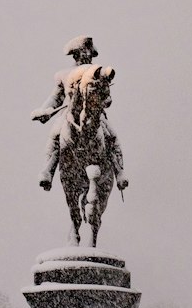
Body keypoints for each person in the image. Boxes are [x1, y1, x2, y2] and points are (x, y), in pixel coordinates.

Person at [31, 34, 127, 193]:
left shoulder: (97, 72)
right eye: (83, 52)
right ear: (75, 55)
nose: (86, 56)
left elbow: (107, 97)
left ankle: (120, 172)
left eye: (88, 52)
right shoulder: (63, 75)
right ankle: (47, 171)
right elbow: (56, 97)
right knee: (55, 137)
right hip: (68, 114)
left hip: (95, 115)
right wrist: (45, 111)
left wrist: (103, 100)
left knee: (111, 137)